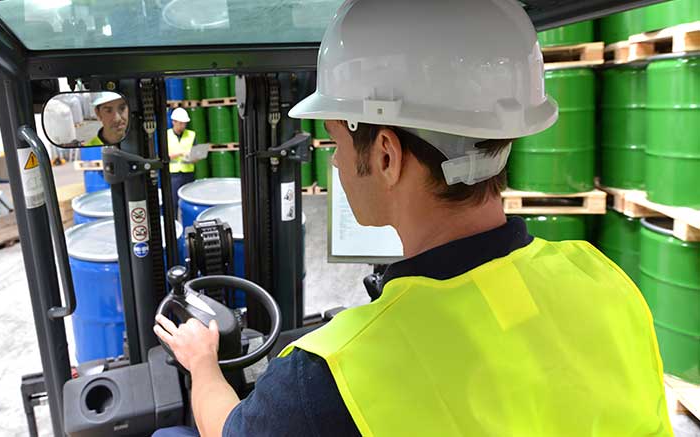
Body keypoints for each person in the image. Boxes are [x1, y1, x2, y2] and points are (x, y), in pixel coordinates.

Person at [153, 0, 674, 436]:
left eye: (335, 141)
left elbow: (228, 428)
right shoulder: (604, 280)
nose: (334, 162)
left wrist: (201, 363)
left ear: (385, 154)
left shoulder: (331, 377)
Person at [167, 107, 196, 210]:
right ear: (173, 122)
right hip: (173, 175)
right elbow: (163, 156)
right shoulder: (166, 135)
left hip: (188, 174)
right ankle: (175, 224)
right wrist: (179, 154)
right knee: (174, 203)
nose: (183, 125)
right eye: (180, 123)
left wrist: (194, 157)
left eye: (184, 123)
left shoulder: (191, 135)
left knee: (190, 200)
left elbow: (195, 153)